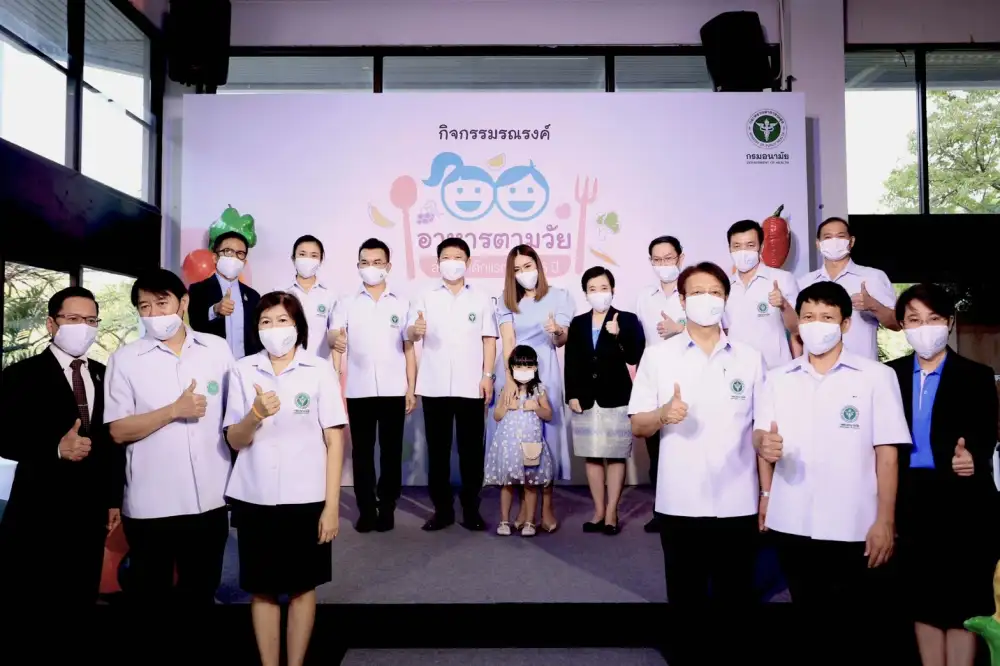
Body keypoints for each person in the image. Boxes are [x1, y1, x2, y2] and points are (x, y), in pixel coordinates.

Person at [754, 281, 910, 661]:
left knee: (855, 624)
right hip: (793, 519)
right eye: (808, 316)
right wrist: (763, 453)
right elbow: (761, 435)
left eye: (827, 317)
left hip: (854, 523)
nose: (816, 324)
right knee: (808, 618)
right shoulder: (777, 378)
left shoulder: (876, 377)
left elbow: (887, 453)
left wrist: (885, 519)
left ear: (845, 325)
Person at [628, 262, 765, 605]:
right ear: (682, 300)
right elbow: (638, 424)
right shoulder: (657, 357)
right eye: (698, 292)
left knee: (735, 593)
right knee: (685, 593)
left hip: (738, 500)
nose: (707, 299)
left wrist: (766, 493)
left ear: (726, 299)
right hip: (680, 500)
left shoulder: (750, 359)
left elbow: (761, 430)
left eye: (715, 292)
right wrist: (662, 414)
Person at [223, 291, 346, 666]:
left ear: (298, 326)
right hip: (254, 495)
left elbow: (334, 439)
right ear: (256, 329)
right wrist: (255, 415)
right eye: (266, 321)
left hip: (306, 498)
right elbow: (235, 439)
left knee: (302, 588)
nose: (274, 329)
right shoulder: (243, 370)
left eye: (282, 321)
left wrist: (331, 507)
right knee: (261, 589)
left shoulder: (319, 369)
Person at [104, 269, 234, 615]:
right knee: (152, 599)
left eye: (162, 303)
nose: (154, 313)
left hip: (210, 500)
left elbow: (233, 416)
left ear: (183, 302)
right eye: (144, 306)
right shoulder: (125, 360)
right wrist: (174, 410)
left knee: (201, 594)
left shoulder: (216, 349)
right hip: (151, 505)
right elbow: (118, 430)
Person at [887, 283, 999, 666]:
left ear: (949, 322)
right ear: (902, 325)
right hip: (910, 500)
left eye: (933, 318)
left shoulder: (976, 375)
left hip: (963, 500)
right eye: (915, 319)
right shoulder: (888, 376)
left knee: (963, 600)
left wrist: (973, 458)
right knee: (922, 600)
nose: (925, 327)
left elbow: (984, 435)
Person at [0, 287, 124, 610]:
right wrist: (54, 448)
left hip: (90, 514)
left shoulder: (104, 374)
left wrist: (114, 499)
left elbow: (112, 442)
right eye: (73, 318)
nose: (83, 326)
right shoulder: (20, 375)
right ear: (51, 324)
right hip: (37, 512)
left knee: (80, 597)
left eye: (91, 320)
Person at [408, 237, 498, 531]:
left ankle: (471, 509)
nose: (452, 263)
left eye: (458, 257)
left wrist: (487, 376)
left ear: (468, 262)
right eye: (446, 257)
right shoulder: (425, 296)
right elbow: (411, 333)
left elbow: (489, 340)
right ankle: (443, 510)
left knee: (471, 452)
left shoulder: (481, 298)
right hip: (434, 386)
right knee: (438, 452)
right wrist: (415, 330)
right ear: (438, 263)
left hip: (471, 386)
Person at [331, 238, 416, 533]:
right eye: (365, 262)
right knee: (362, 454)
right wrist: (335, 344)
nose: (371, 267)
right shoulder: (346, 302)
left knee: (391, 453)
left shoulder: (402, 302)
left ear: (388, 266)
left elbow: (409, 348)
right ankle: (366, 509)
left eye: (377, 262)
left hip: (394, 390)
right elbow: (335, 340)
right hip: (359, 389)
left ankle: (387, 506)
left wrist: (411, 387)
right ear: (358, 266)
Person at [492, 244, 576, 533]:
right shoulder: (506, 301)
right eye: (517, 269)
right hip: (513, 370)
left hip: (545, 371)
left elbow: (561, 339)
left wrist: (557, 331)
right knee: (517, 440)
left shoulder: (560, 296)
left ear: (538, 266)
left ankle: (546, 507)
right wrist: (510, 380)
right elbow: (508, 340)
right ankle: (524, 508)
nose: (523, 273)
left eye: (527, 266)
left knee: (546, 439)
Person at [565, 266, 645, 535]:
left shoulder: (627, 319)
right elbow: (571, 361)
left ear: (613, 290)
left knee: (615, 454)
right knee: (592, 455)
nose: (598, 293)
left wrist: (618, 334)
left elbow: (634, 356)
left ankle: (612, 512)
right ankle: (598, 511)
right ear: (585, 293)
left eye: (603, 288)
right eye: (592, 289)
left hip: (617, 396)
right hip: (586, 398)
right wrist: (571, 394)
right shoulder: (578, 323)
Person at [634, 235, 687, 532]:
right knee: (657, 450)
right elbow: (639, 339)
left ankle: (688, 510)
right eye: (657, 260)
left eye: (669, 258)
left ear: (680, 257)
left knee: (686, 445)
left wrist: (680, 328)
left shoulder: (692, 290)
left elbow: (716, 330)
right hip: (655, 381)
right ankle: (661, 510)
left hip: (688, 378)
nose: (663, 264)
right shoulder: (645, 296)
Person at [797, 217, 898, 359]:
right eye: (828, 237)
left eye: (840, 236)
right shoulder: (804, 282)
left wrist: (873, 305)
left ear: (851, 241)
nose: (834, 241)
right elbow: (796, 331)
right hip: (816, 367)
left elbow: (896, 323)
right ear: (818, 244)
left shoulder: (872, 277)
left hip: (861, 367)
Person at [484, 345, 555, 537]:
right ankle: (504, 521)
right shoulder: (506, 390)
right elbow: (496, 416)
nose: (524, 371)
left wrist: (536, 408)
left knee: (530, 483)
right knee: (507, 484)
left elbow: (549, 414)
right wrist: (507, 406)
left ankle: (530, 522)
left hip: (531, 444)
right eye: (519, 366)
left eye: (528, 366)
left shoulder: (538, 390)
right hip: (509, 445)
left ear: (535, 367)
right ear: (512, 368)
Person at [723, 219, 800, 367]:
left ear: (762, 246)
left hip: (775, 368)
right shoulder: (724, 286)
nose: (743, 252)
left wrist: (784, 305)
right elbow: (724, 332)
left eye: (750, 245)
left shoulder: (782, 279)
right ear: (730, 249)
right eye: (737, 246)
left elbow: (797, 329)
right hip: (738, 370)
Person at [188, 230, 263, 359]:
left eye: (240, 253)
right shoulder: (198, 290)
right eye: (228, 251)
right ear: (215, 257)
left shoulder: (253, 296)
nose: (234, 257)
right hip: (212, 363)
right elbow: (196, 324)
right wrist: (215, 310)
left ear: (244, 262)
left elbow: (257, 334)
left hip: (245, 365)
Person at [282, 234, 339, 361]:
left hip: (320, 364)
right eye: (302, 254)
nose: (307, 260)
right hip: (287, 364)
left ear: (321, 260)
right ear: (293, 258)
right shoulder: (281, 293)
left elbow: (334, 331)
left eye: (314, 256)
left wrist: (337, 340)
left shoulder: (330, 295)